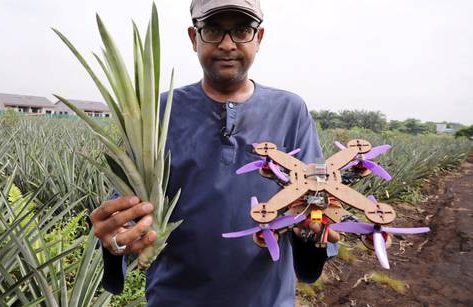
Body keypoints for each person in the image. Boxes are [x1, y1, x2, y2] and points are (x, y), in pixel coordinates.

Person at [90, 0, 340, 306]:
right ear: (194, 38)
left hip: (268, 300)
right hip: (175, 299)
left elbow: (314, 203)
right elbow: (125, 217)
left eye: (241, 30)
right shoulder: (157, 113)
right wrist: (117, 238)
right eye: (212, 30)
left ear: (258, 38)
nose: (227, 44)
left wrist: (315, 232)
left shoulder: (290, 111)